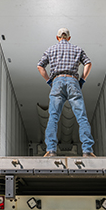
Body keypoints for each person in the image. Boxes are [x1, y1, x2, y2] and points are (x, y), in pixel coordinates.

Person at [37, 28, 96, 157]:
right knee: (81, 117)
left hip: (57, 82)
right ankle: (87, 150)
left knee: (53, 117)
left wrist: (49, 81)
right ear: (69, 38)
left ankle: (51, 150)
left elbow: (40, 66)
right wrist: (82, 80)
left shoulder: (50, 50)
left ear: (57, 37)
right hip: (73, 81)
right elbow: (88, 64)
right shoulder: (77, 49)